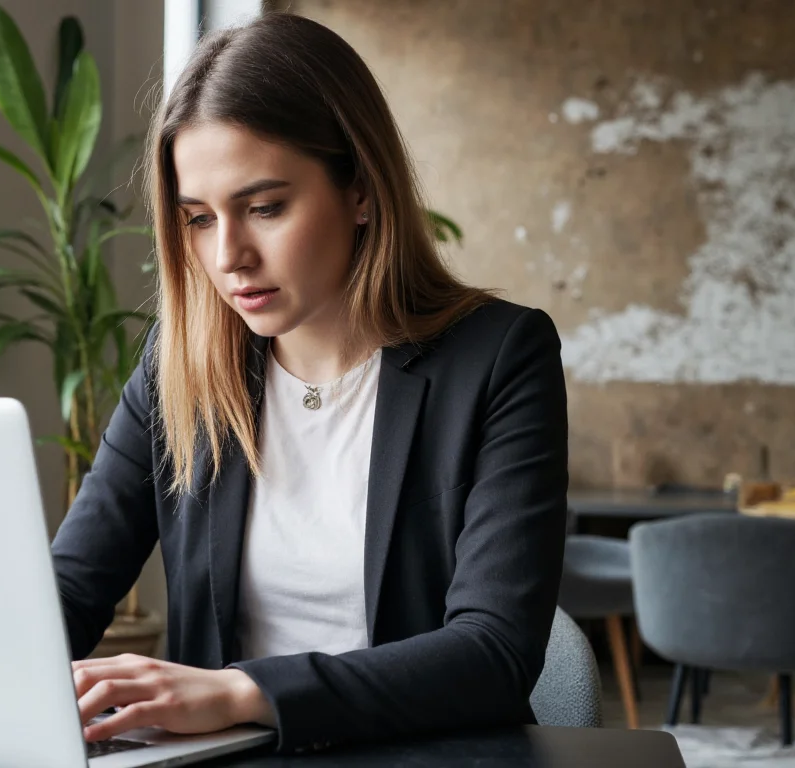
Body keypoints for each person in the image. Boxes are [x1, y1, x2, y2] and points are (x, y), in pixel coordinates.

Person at [49, 11, 569, 755]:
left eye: (264, 208)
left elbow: (494, 653)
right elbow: (68, 592)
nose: (229, 255)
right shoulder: (182, 365)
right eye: (198, 219)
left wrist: (240, 691)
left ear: (360, 190)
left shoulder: (498, 358)